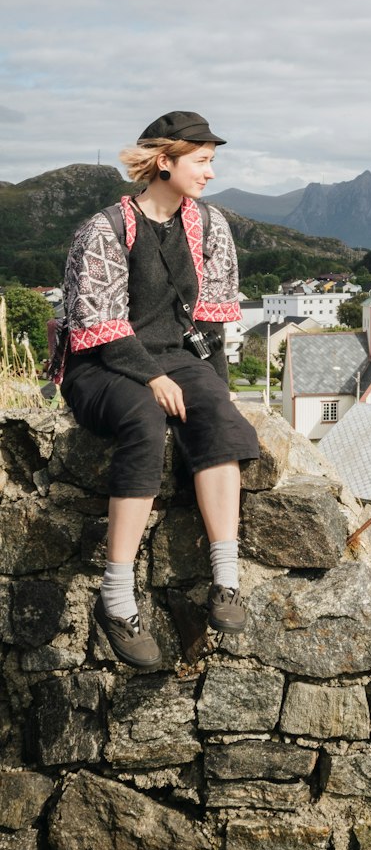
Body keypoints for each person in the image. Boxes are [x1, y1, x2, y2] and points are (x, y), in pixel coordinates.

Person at [56, 110, 259, 670]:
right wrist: (153, 377)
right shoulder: (105, 230)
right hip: (100, 363)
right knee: (145, 424)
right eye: (202, 161)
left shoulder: (210, 226)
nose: (210, 173)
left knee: (218, 418)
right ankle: (116, 598)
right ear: (164, 162)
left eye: (212, 161)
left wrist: (215, 393)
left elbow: (212, 326)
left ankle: (226, 579)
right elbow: (94, 324)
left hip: (174, 357)